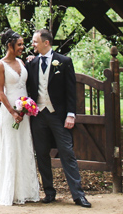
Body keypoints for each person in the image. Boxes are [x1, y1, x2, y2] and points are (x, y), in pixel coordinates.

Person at [26, 28, 91, 207]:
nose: (33, 45)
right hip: (38, 116)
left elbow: (71, 90)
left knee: (67, 153)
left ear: (46, 43)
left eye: (35, 42)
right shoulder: (31, 63)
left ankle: (78, 195)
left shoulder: (64, 62)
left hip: (58, 116)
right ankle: (49, 192)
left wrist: (71, 114)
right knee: (42, 154)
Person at [0, 29, 40, 206]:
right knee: (10, 147)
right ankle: (7, 190)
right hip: (10, 113)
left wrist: (25, 108)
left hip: (24, 112)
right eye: (19, 44)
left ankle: (25, 190)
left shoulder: (22, 62)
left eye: (23, 44)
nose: (22, 47)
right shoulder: (0, 65)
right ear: (9, 45)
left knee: (24, 146)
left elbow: (25, 84)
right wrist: (13, 112)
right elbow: (0, 90)